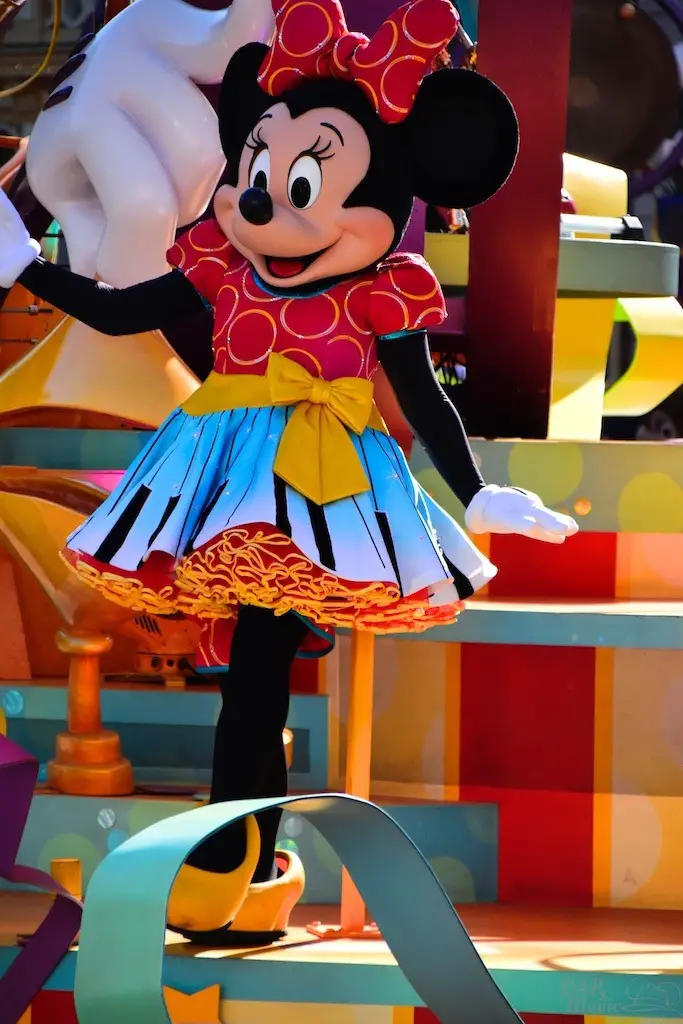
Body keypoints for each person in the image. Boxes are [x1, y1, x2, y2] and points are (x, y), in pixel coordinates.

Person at [0, 0, 577, 947]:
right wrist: (25, 263)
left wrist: (476, 492)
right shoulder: (225, 269)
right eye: (259, 171)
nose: (264, 200)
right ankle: (249, 871)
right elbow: (120, 312)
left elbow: (421, 395)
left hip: (316, 486)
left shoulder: (376, 289)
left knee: (258, 676)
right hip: (219, 475)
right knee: (249, 676)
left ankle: (234, 865)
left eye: (302, 181)